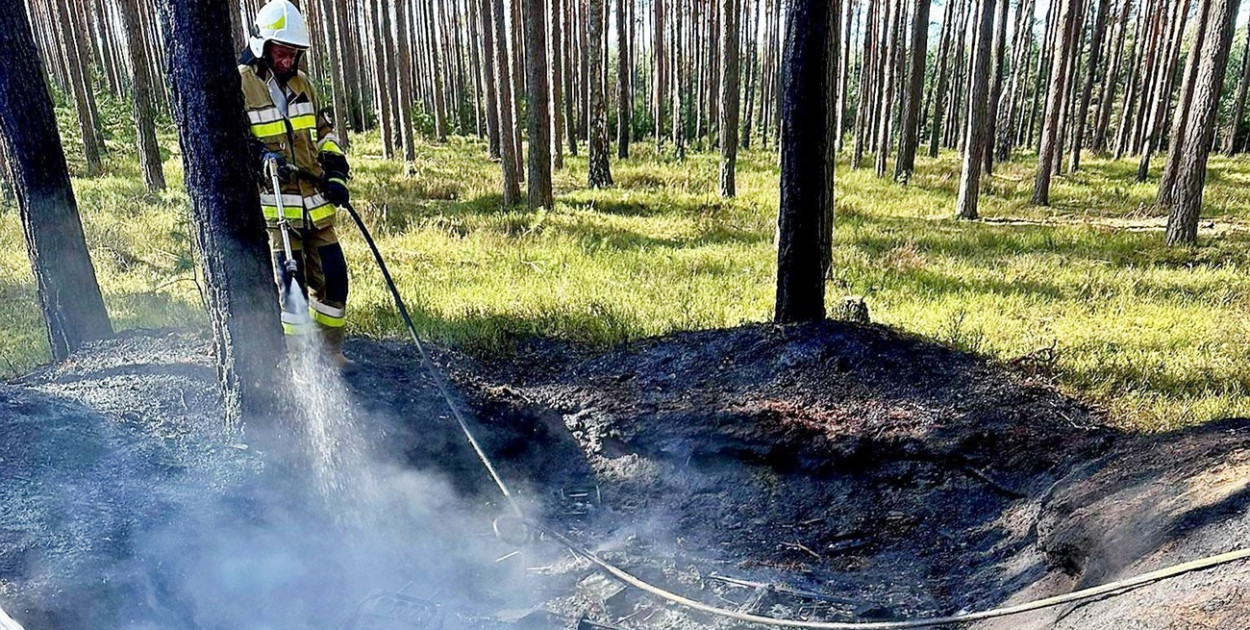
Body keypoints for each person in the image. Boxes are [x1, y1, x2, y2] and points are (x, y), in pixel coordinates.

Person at [240, 0, 353, 369]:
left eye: (293, 54)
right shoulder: (241, 83)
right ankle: (300, 367)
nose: (288, 61)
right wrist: (260, 157)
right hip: (277, 212)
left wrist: (336, 174)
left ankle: (329, 352)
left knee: (335, 279)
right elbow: (237, 139)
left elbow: (324, 134)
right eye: (281, 53)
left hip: (316, 206)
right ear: (263, 45)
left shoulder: (303, 85)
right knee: (292, 292)